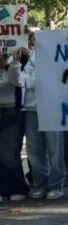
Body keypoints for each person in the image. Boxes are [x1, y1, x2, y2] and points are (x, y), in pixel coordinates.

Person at [18, 35, 65, 200]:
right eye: (28, 38)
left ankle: (56, 185)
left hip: (51, 108)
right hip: (30, 109)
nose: (31, 41)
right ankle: (41, 184)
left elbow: (52, 77)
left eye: (33, 38)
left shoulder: (51, 56)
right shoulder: (17, 57)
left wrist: (32, 58)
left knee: (55, 150)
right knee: (34, 151)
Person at [0, 51, 27, 203]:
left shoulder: (13, 67)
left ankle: (17, 188)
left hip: (12, 114)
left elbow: (17, 81)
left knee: (8, 154)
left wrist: (12, 64)